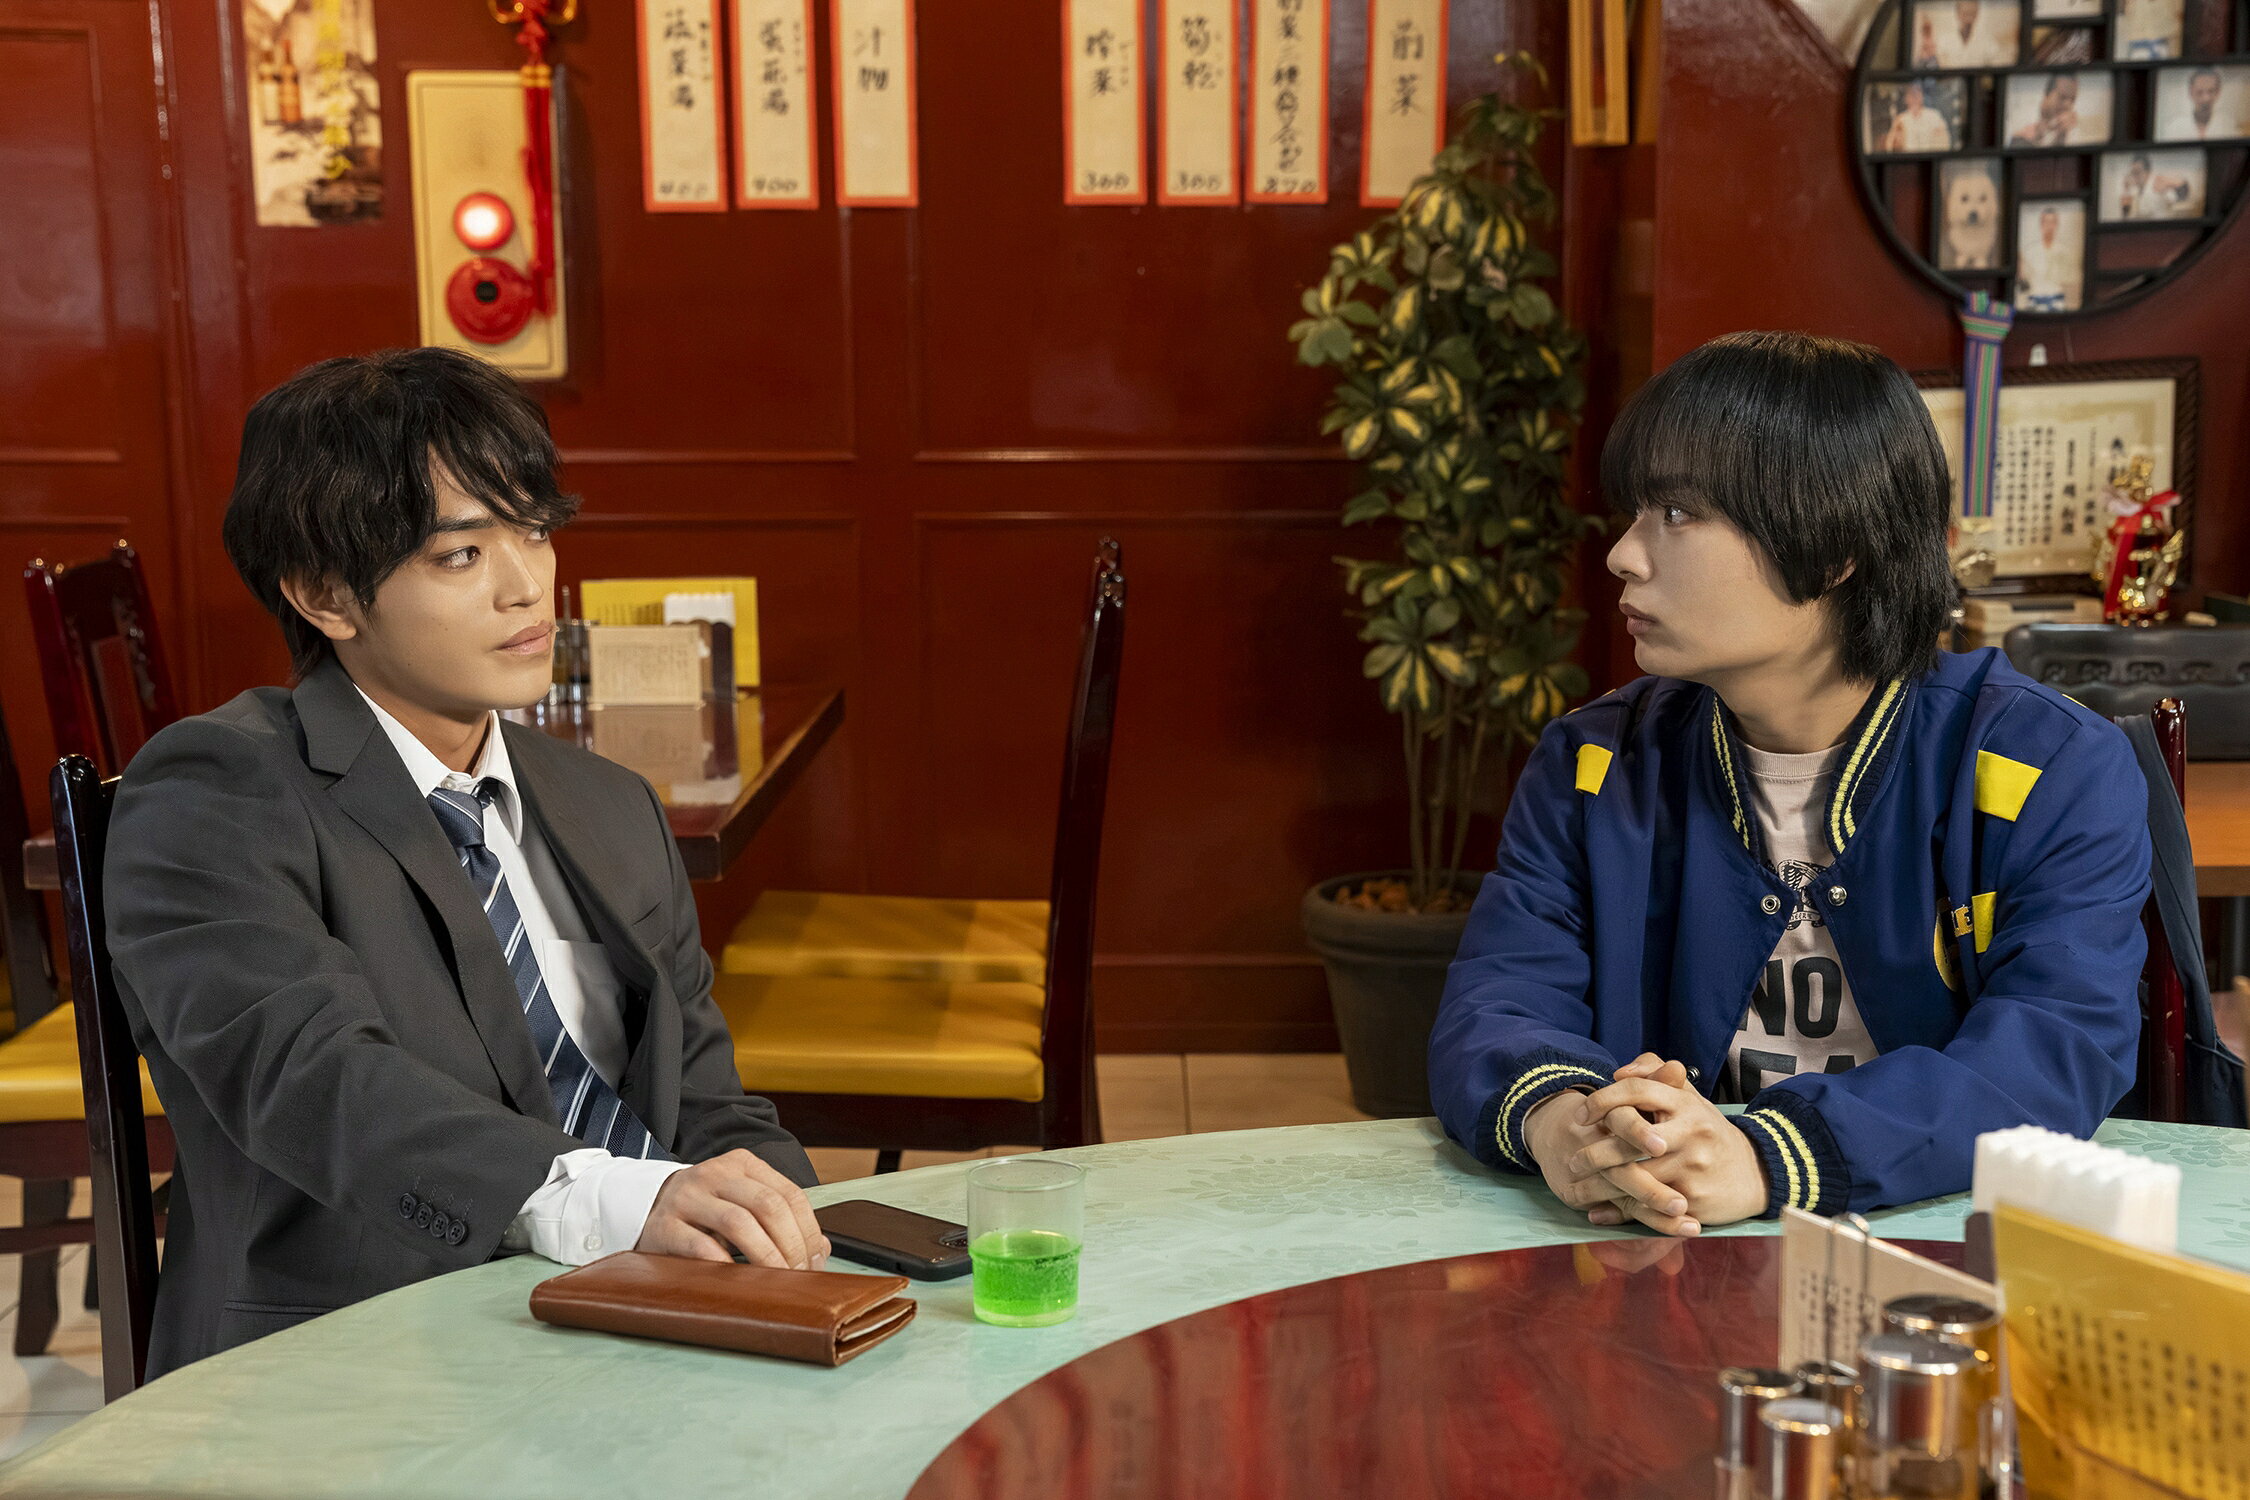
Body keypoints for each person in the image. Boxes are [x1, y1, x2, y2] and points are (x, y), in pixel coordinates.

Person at [106, 348, 828, 1376]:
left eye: (533, 530)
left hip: (646, 1331)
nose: (527, 585)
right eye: (461, 555)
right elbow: (315, 1080)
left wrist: (808, 1244)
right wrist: (618, 1201)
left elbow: (706, 1102)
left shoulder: (606, 801)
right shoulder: (218, 793)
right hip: (368, 1357)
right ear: (325, 595)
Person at [1428, 331, 2151, 1236]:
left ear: (1833, 546)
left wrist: (1767, 1158)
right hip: (1666, 1244)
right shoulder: (1595, 761)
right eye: (1636, 512)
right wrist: (1560, 1122)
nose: (1623, 554)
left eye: (1677, 514)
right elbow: (1496, 1000)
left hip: (1947, 1252)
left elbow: (2056, 1047)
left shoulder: (2047, 764)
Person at [2015, 205, 2078, 311]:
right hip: (2034, 299)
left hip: (2056, 300)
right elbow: (2023, 279)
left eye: (2052, 222)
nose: (2049, 226)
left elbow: (2071, 278)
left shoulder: (2064, 251)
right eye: (2046, 222)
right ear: (2041, 224)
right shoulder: (2030, 251)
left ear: (2057, 225)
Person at [2159, 66, 2232, 140]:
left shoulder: (2228, 126)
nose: (2206, 98)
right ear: (2191, 92)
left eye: (2211, 91)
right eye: (2199, 92)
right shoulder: (2175, 128)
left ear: (2218, 92)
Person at [1882, 80, 1955, 151]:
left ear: (1922, 96)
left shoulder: (1934, 116)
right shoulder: (1901, 119)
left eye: (1917, 92)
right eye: (1911, 93)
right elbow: (1890, 146)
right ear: (1906, 98)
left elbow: (1945, 142)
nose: (1915, 96)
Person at [2011, 74, 2081, 147]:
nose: (2068, 105)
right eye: (2062, 97)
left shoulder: (2072, 132)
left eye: (2072, 99)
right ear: (2046, 96)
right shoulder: (2021, 121)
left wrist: (2063, 134)